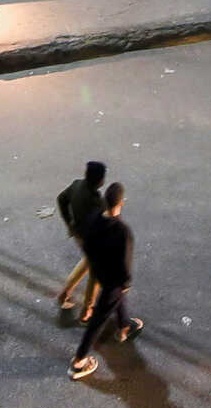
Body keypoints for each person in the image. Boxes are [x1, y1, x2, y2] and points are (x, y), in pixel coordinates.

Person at [68, 182, 143, 381]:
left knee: (115, 301)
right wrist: (126, 284)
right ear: (121, 203)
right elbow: (125, 265)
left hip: (100, 273)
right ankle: (79, 361)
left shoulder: (94, 221)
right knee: (98, 320)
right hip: (114, 282)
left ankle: (124, 325)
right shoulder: (123, 231)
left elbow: (87, 246)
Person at [52, 160, 108, 316]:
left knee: (87, 262)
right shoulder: (97, 203)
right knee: (95, 274)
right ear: (100, 181)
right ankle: (87, 311)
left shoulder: (76, 185)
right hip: (93, 241)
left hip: (79, 236)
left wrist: (69, 223)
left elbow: (61, 199)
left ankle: (65, 292)